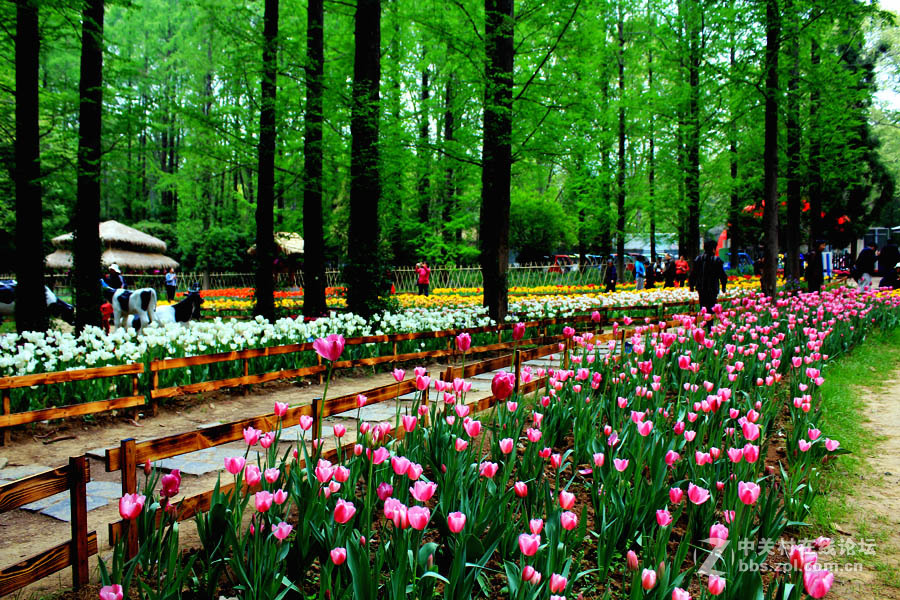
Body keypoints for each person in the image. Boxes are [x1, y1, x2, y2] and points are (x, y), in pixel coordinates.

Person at [690, 239, 728, 316]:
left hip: (701, 288)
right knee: (711, 308)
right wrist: (723, 286)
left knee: (703, 307)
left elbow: (693, 274)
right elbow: (722, 275)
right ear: (714, 249)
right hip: (712, 288)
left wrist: (691, 285)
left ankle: (705, 323)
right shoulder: (716, 260)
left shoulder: (698, 259)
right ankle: (710, 325)